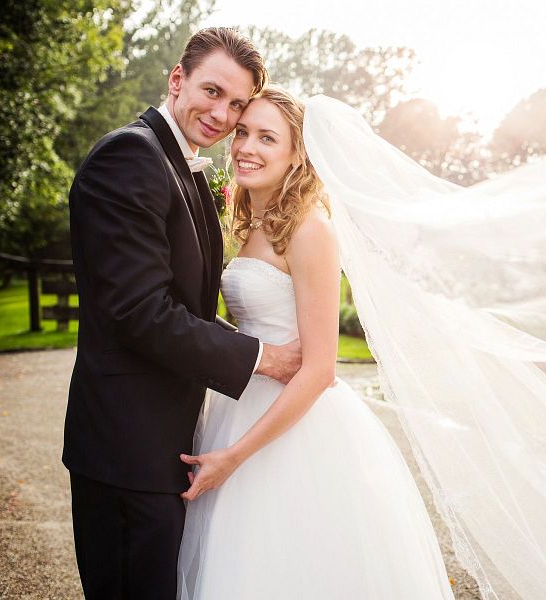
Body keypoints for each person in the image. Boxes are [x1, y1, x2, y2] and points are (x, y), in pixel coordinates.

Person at [176, 86, 454, 599]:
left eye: (266, 137)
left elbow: (322, 369)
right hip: (240, 404)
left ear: (297, 154)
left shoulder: (309, 229)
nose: (246, 147)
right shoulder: (251, 221)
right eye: (242, 133)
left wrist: (235, 456)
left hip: (294, 430)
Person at [63, 28, 303, 599]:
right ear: (178, 80)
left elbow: (183, 305)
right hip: (127, 449)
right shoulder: (131, 157)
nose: (223, 115)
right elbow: (139, 311)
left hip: (158, 445)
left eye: (238, 105)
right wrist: (263, 358)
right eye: (212, 91)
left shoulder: (176, 162)